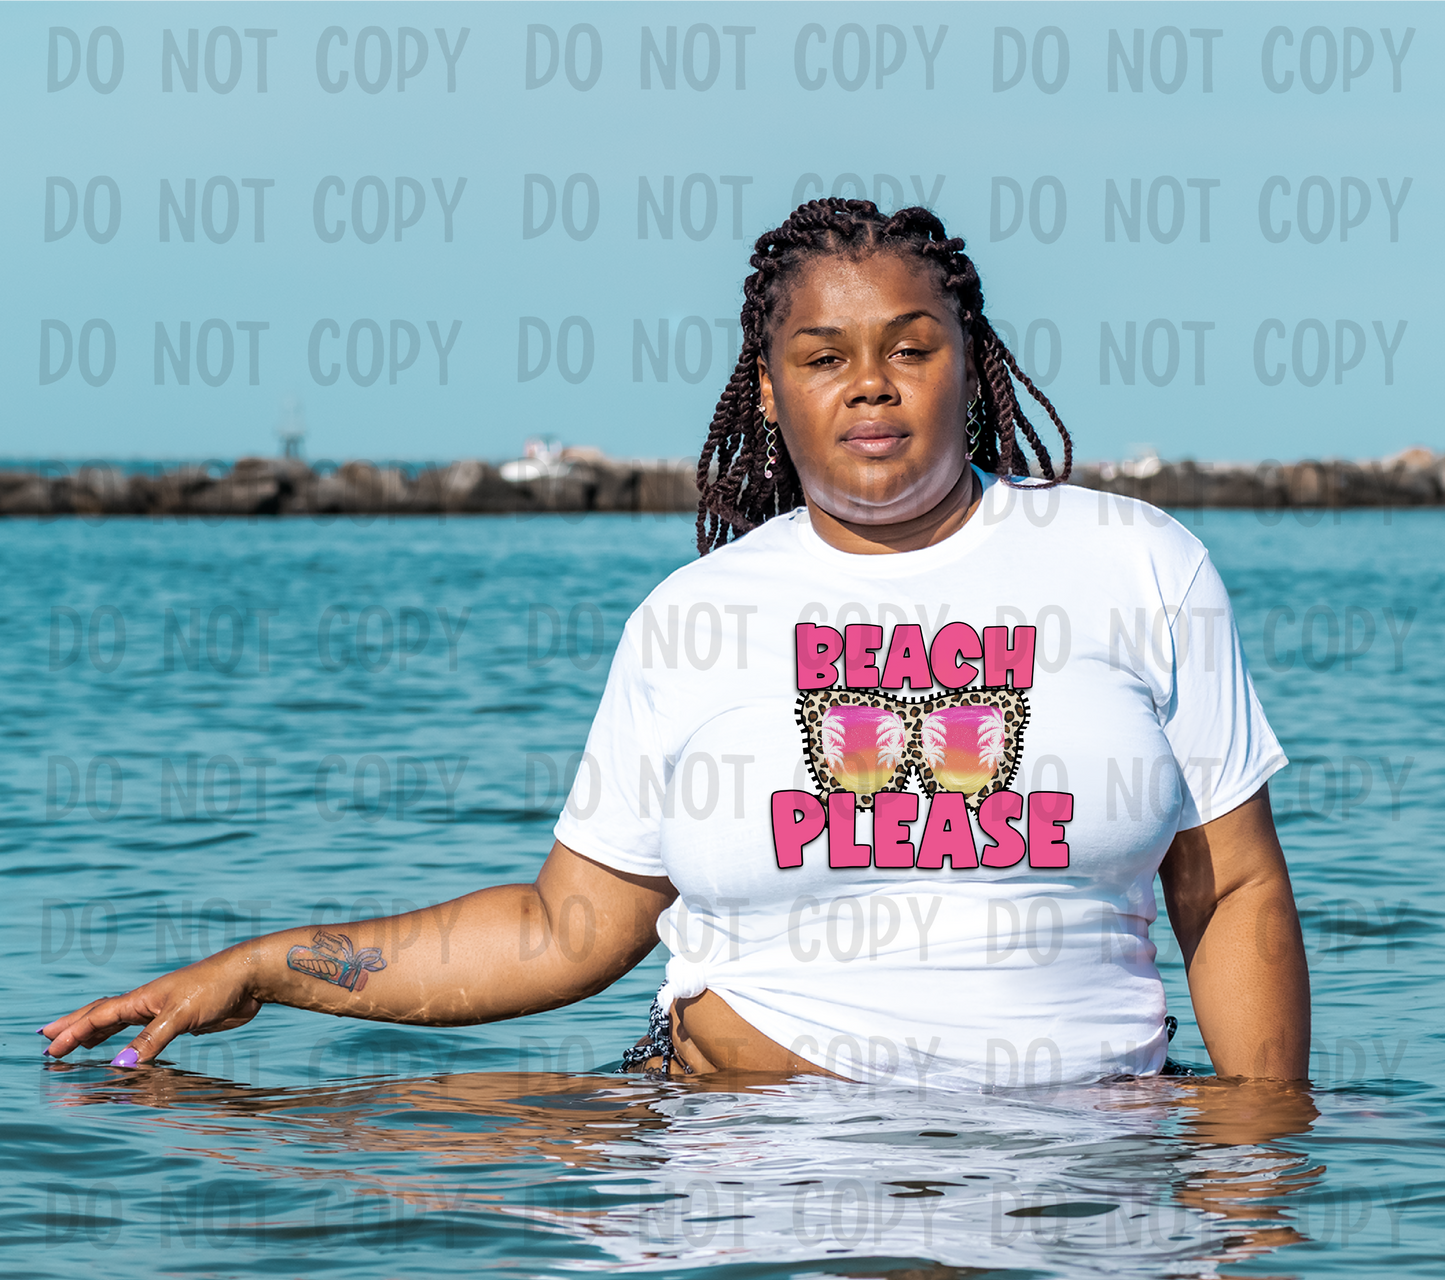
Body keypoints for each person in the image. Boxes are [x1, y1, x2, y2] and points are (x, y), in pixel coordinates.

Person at [40, 199, 1310, 1086]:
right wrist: (266, 969)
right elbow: (565, 929)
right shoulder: (693, 617)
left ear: (968, 364)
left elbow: (1231, 888)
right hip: (737, 1185)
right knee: (321, 1172)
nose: (869, 382)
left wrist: (1258, 1168)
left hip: (1073, 1184)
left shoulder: (1135, 564)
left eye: (909, 347)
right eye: (823, 355)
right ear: (769, 387)